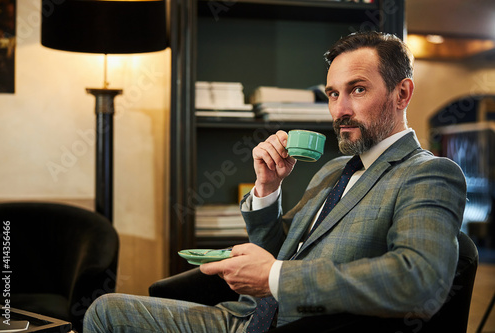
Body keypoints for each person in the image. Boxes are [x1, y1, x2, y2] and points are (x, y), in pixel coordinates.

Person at [83, 31, 467, 333]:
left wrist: (274, 277)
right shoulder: (334, 170)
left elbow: (419, 281)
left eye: (358, 89)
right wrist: (267, 190)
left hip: (297, 327)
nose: (340, 110)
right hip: (245, 316)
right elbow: (280, 250)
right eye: (333, 94)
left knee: (105, 313)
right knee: (106, 308)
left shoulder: (427, 173)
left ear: (402, 93)